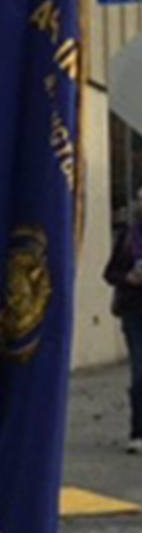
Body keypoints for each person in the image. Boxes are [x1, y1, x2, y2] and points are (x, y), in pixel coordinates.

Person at [104, 185, 142, 453]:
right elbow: (110, 273)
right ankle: (138, 430)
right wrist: (128, 277)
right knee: (140, 371)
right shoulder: (129, 237)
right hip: (134, 311)